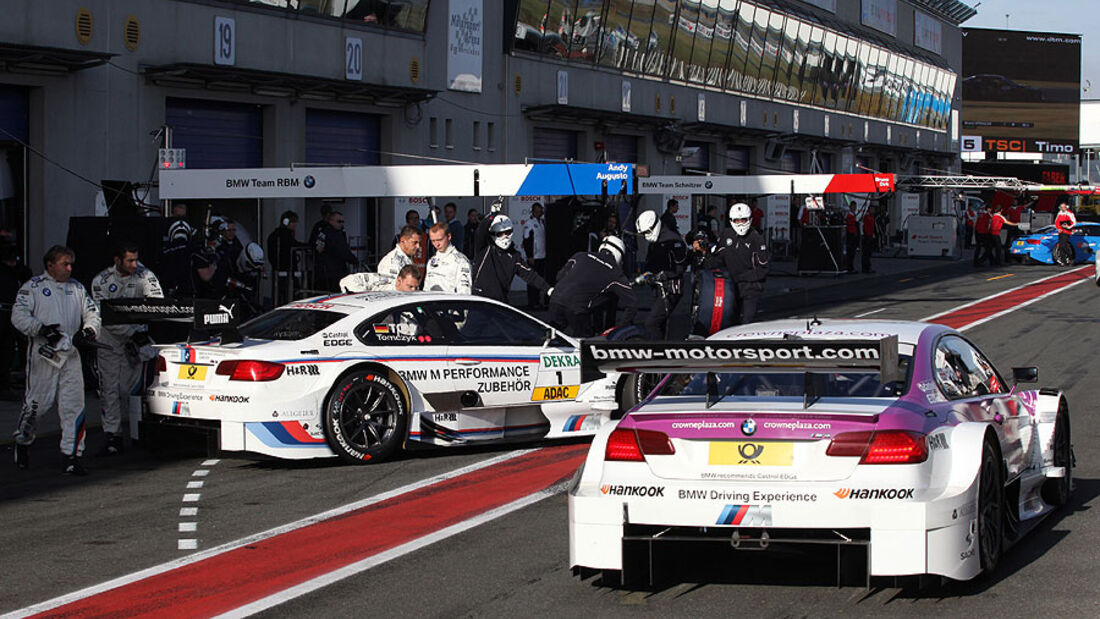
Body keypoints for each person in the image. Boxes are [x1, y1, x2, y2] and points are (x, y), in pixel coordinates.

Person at [11, 245, 101, 475]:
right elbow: (18, 316)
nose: (69, 268)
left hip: (71, 355)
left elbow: (93, 313)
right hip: (44, 356)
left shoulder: (77, 288)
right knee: (36, 407)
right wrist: (40, 329)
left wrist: (89, 331)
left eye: (71, 264)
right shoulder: (32, 287)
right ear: (50, 265)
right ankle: (22, 441)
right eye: (65, 264)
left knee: (74, 407)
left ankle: (71, 456)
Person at [91, 241, 164, 456]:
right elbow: (101, 315)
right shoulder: (101, 281)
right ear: (117, 260)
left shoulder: (144, 274)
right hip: (109, 339)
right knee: (109, 389)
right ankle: (112, 434)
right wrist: (131, 330)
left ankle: (141, 430)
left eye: (136, 259)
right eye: (129, 260)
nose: (134, 264)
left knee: (135, 388)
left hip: (137, 337)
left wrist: (139, 329)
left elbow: (157, 303)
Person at [548, 236, 636, 338]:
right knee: (584, 340)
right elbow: (632, 304)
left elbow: (559, 276)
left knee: (553, 336)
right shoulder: (615, 272)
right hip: (578, 308)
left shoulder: (580, 255)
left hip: (556, 299)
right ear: (619, 254)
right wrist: (619, 328)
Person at [696, 203, 770, 325]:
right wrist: (704, 255)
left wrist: (745, 277)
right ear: (731, 220)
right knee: (730, 320)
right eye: (737, 220)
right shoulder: (726, 234)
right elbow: (717, 259)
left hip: (750, 287)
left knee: (747, 320)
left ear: (749, 220)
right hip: (730, 287)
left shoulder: (756, 238)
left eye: (743, 220)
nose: (740, 223)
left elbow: (763, 268)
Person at [472, 215, 551, 303]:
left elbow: (530, 275)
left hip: (500, 301)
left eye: (508, 232)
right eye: (500, 234)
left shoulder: (514, 256)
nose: (505, 236)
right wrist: (492, 215)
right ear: (493, 234)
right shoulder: (484, 249)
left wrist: (548, 289)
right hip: (479, 300)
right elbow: (480, 232)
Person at [635, 210, 688, 339]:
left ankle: (657, 350)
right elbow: (650, 264)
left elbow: (680, 267)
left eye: (647, 232)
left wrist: (661, 276)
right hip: (657, 288)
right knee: (660, 322)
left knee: (652, 323)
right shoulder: (654, 244)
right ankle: (661, 348)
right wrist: (646, 275)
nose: (646, 236)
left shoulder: (673, 240)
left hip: (671, 289)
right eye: (644, 234)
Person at [0, 246, 31, 399]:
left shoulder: (16, 271)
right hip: (2, 309)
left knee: (8, 348)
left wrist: (15, 265)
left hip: (10, 310)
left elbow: (26, 274)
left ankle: (4, 384)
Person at [266, 210, 308, 306]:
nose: (295, 225)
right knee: (291, 293)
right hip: (288, 270)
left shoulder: (274, 235)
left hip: (279, 269)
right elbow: (294, 244)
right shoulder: (285, 235)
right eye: (293, 222)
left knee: (280, 294)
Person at [309, 210, 357, 292]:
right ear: (331, 221)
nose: (341, 224)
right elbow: (342, 250)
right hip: (333, 270)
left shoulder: (326, 232)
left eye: (342, 221)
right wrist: (354, 260)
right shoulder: (332, 234)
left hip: (326, 270)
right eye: (339, 221)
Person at [424, 223, 472, 294]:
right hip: (431, 303)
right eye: (433, 241)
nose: (437, 244)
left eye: (439, 240)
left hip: (449, 303)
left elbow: (464, 292)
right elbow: (426, 288)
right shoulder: (432, 261)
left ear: (449, 236)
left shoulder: (461, 261)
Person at [521, 203, 547, 309]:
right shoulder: (529, 223)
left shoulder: (542, 222)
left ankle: (537, 301)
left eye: (540, 210)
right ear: (533, 211)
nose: (539, 212)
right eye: (536, 210)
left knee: (540, 280)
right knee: (532, 280)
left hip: (542, 256)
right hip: (534, 257)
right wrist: (529, 256)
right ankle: (532, 302)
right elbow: (527, 241)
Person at [860, 203, 877, 274]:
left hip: (870, 236)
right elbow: (865, 227)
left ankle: (867, 267)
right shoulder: (866, 217)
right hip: (867, 236)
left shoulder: (871, 217)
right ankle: (865, 267)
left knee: (868, 253)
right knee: (866, 253)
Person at [844, 201, 860, 273]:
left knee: (852, 252)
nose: (854, 208)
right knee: (850, 252)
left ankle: (851, 267)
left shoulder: (853, 215)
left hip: (853, 234)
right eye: (853, 206)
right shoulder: (849, 216)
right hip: (850, 234)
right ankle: (849, 267)